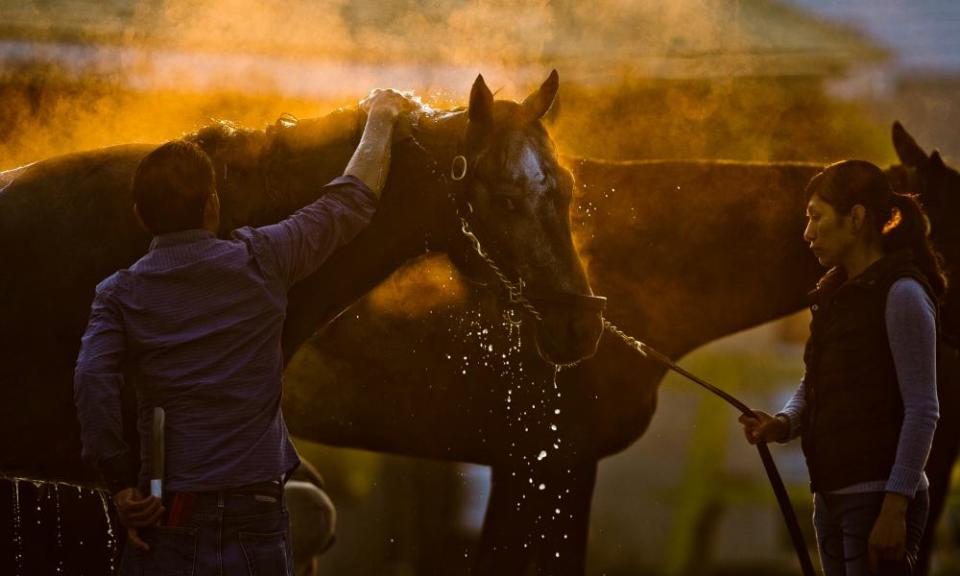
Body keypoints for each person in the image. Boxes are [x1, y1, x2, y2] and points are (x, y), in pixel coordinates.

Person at [73, 89, 419, 575]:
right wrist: (381, 117)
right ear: (213, 205)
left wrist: (121, 485)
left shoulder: (118, 294)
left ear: (139, 216)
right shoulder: (262, 259)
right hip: (255, 518)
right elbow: (350, 201)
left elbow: (92, 382)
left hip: (166, 516)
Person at [740, 160, 945, 576]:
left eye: (817, 217)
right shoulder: (834, 294)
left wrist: (894, 506)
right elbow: (816, 378)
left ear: (855, 218)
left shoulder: (902, 293)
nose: (807, 233)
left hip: (877, 501)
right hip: (831, 496)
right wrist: (784, 423)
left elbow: (923, 408)